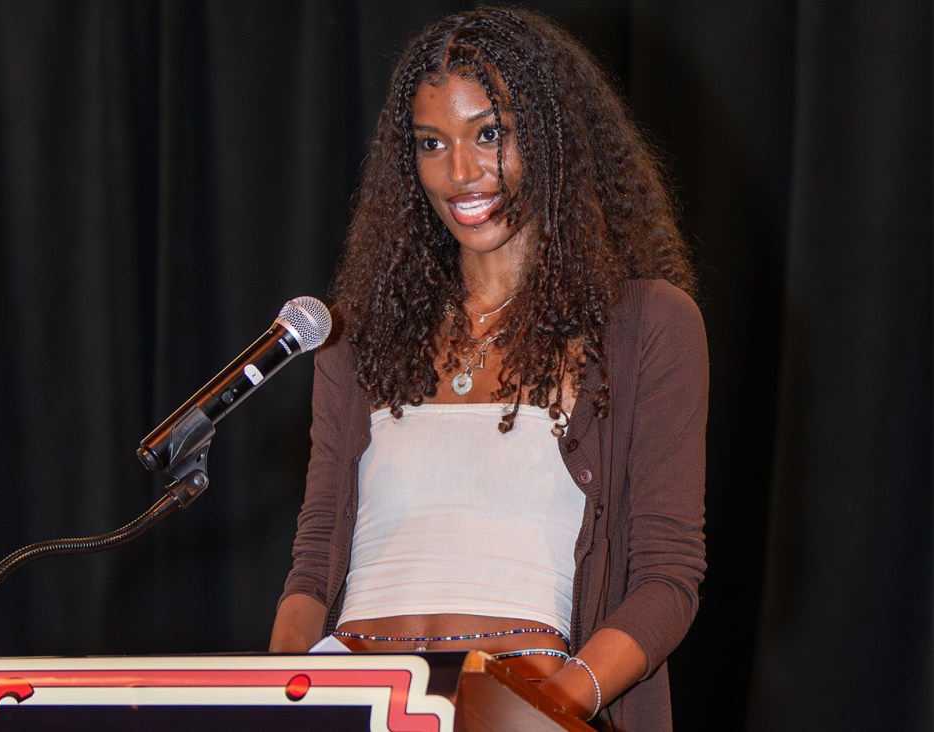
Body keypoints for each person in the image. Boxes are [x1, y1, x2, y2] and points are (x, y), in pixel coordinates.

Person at [269, 7, 707, 730]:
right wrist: (288, 696)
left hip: (522, 700)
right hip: (364, 695)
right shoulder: (361, 334)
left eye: (492, 134)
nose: (461, 172)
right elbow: (315, 558)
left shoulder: (645, 324)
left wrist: (541, 711)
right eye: (432, 144)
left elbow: (667, 577)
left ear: (553, 135)